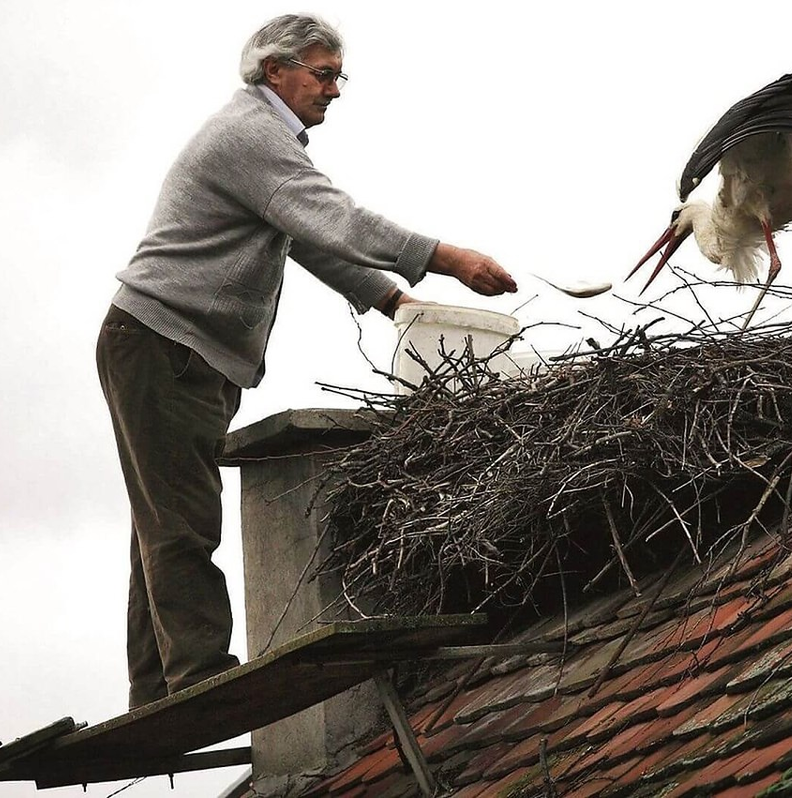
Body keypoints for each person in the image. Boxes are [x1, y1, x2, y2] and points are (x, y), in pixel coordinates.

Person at [96, 13, 517, 709]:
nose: (334, 91)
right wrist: (447, 258)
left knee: (165, 514)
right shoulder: (250, 136)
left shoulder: (265, 143)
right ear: (274, 71)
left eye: (337, 76)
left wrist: (395, 303)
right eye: (323, 75)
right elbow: (338, 221)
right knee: (182, 517)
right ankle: (197, 679)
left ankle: (158, 686)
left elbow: (313, 241)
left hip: (182, 351)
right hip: (158, 342)